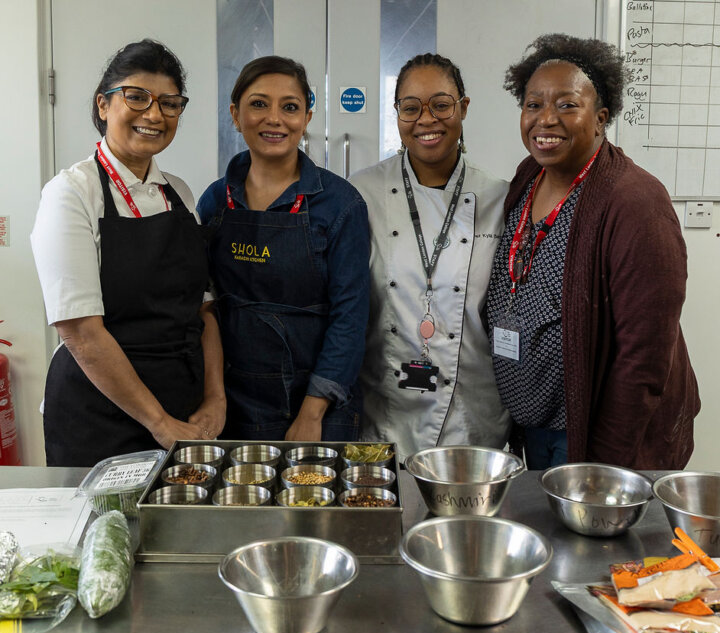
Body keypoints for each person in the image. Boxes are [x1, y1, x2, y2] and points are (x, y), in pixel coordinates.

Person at [485, 34, 700, 470]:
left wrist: (602, 468)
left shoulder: (635, 201)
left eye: (567, 105)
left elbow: (645, 357)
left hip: (595, 438)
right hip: (536, 427)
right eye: (533, 105)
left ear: (601, 118)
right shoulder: (529, 176)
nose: (546, 119)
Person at [32, 39, 225, 467]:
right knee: (107, 534)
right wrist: (159, 423)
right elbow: (80, 331)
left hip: (184, 412)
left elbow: (204, 309)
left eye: (170, 103)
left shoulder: (179, 193)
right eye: (136, 97)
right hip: (98, 417)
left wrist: (215, 398)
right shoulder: (71, 193)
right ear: (103, 105)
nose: (154, 114)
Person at [197, 56, 370, 441]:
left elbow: (351, 318)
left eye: (290, 107)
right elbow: (206, 308)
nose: (274, 119)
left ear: (307, 117)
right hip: (229, 404)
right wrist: (214, 397)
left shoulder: (340, 205)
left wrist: (312, 412)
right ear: (235, 114)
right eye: (258, 104)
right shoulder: (214, 202)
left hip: (316, 407)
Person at [350, 53, 511, 461]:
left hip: (471, 414)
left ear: (463, 108)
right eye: (410, 107)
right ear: (397, 113)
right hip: (383, 413)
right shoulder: (360, 193)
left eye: (441, 104)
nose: (427, 119)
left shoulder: (500, 198)